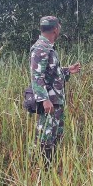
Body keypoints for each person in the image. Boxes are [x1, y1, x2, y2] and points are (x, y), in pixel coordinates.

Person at [30, 16, 81, 169]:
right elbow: (36, 76)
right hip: (49, 103)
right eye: (59, 26)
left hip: (56, 101)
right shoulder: (41, 48)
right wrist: (44, 100)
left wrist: (67, 71)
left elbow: (50, 73)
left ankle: (52, 168)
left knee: (55, 135)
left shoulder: (48, 47)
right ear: (55, 29)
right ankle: (42, 170)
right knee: (45, 136)